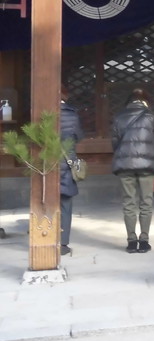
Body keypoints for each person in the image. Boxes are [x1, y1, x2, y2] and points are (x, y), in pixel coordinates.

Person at [111, 87, 154, 253]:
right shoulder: (152, 116)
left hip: (125, 165)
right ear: (146, 100)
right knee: (146, 202)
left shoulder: (119, 117)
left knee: (129, 203)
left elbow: (115, 142)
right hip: (147, 165)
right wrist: (151, 155)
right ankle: (145, 240)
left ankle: (131, 241)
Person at [59, 85, 84, 256]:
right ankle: (63, 243)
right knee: (65, 204)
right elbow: (79, 136)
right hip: (66, 162)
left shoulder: (41, 112)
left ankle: (45, 237)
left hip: (46, 162)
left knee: (45, 203)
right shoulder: (72, 114)